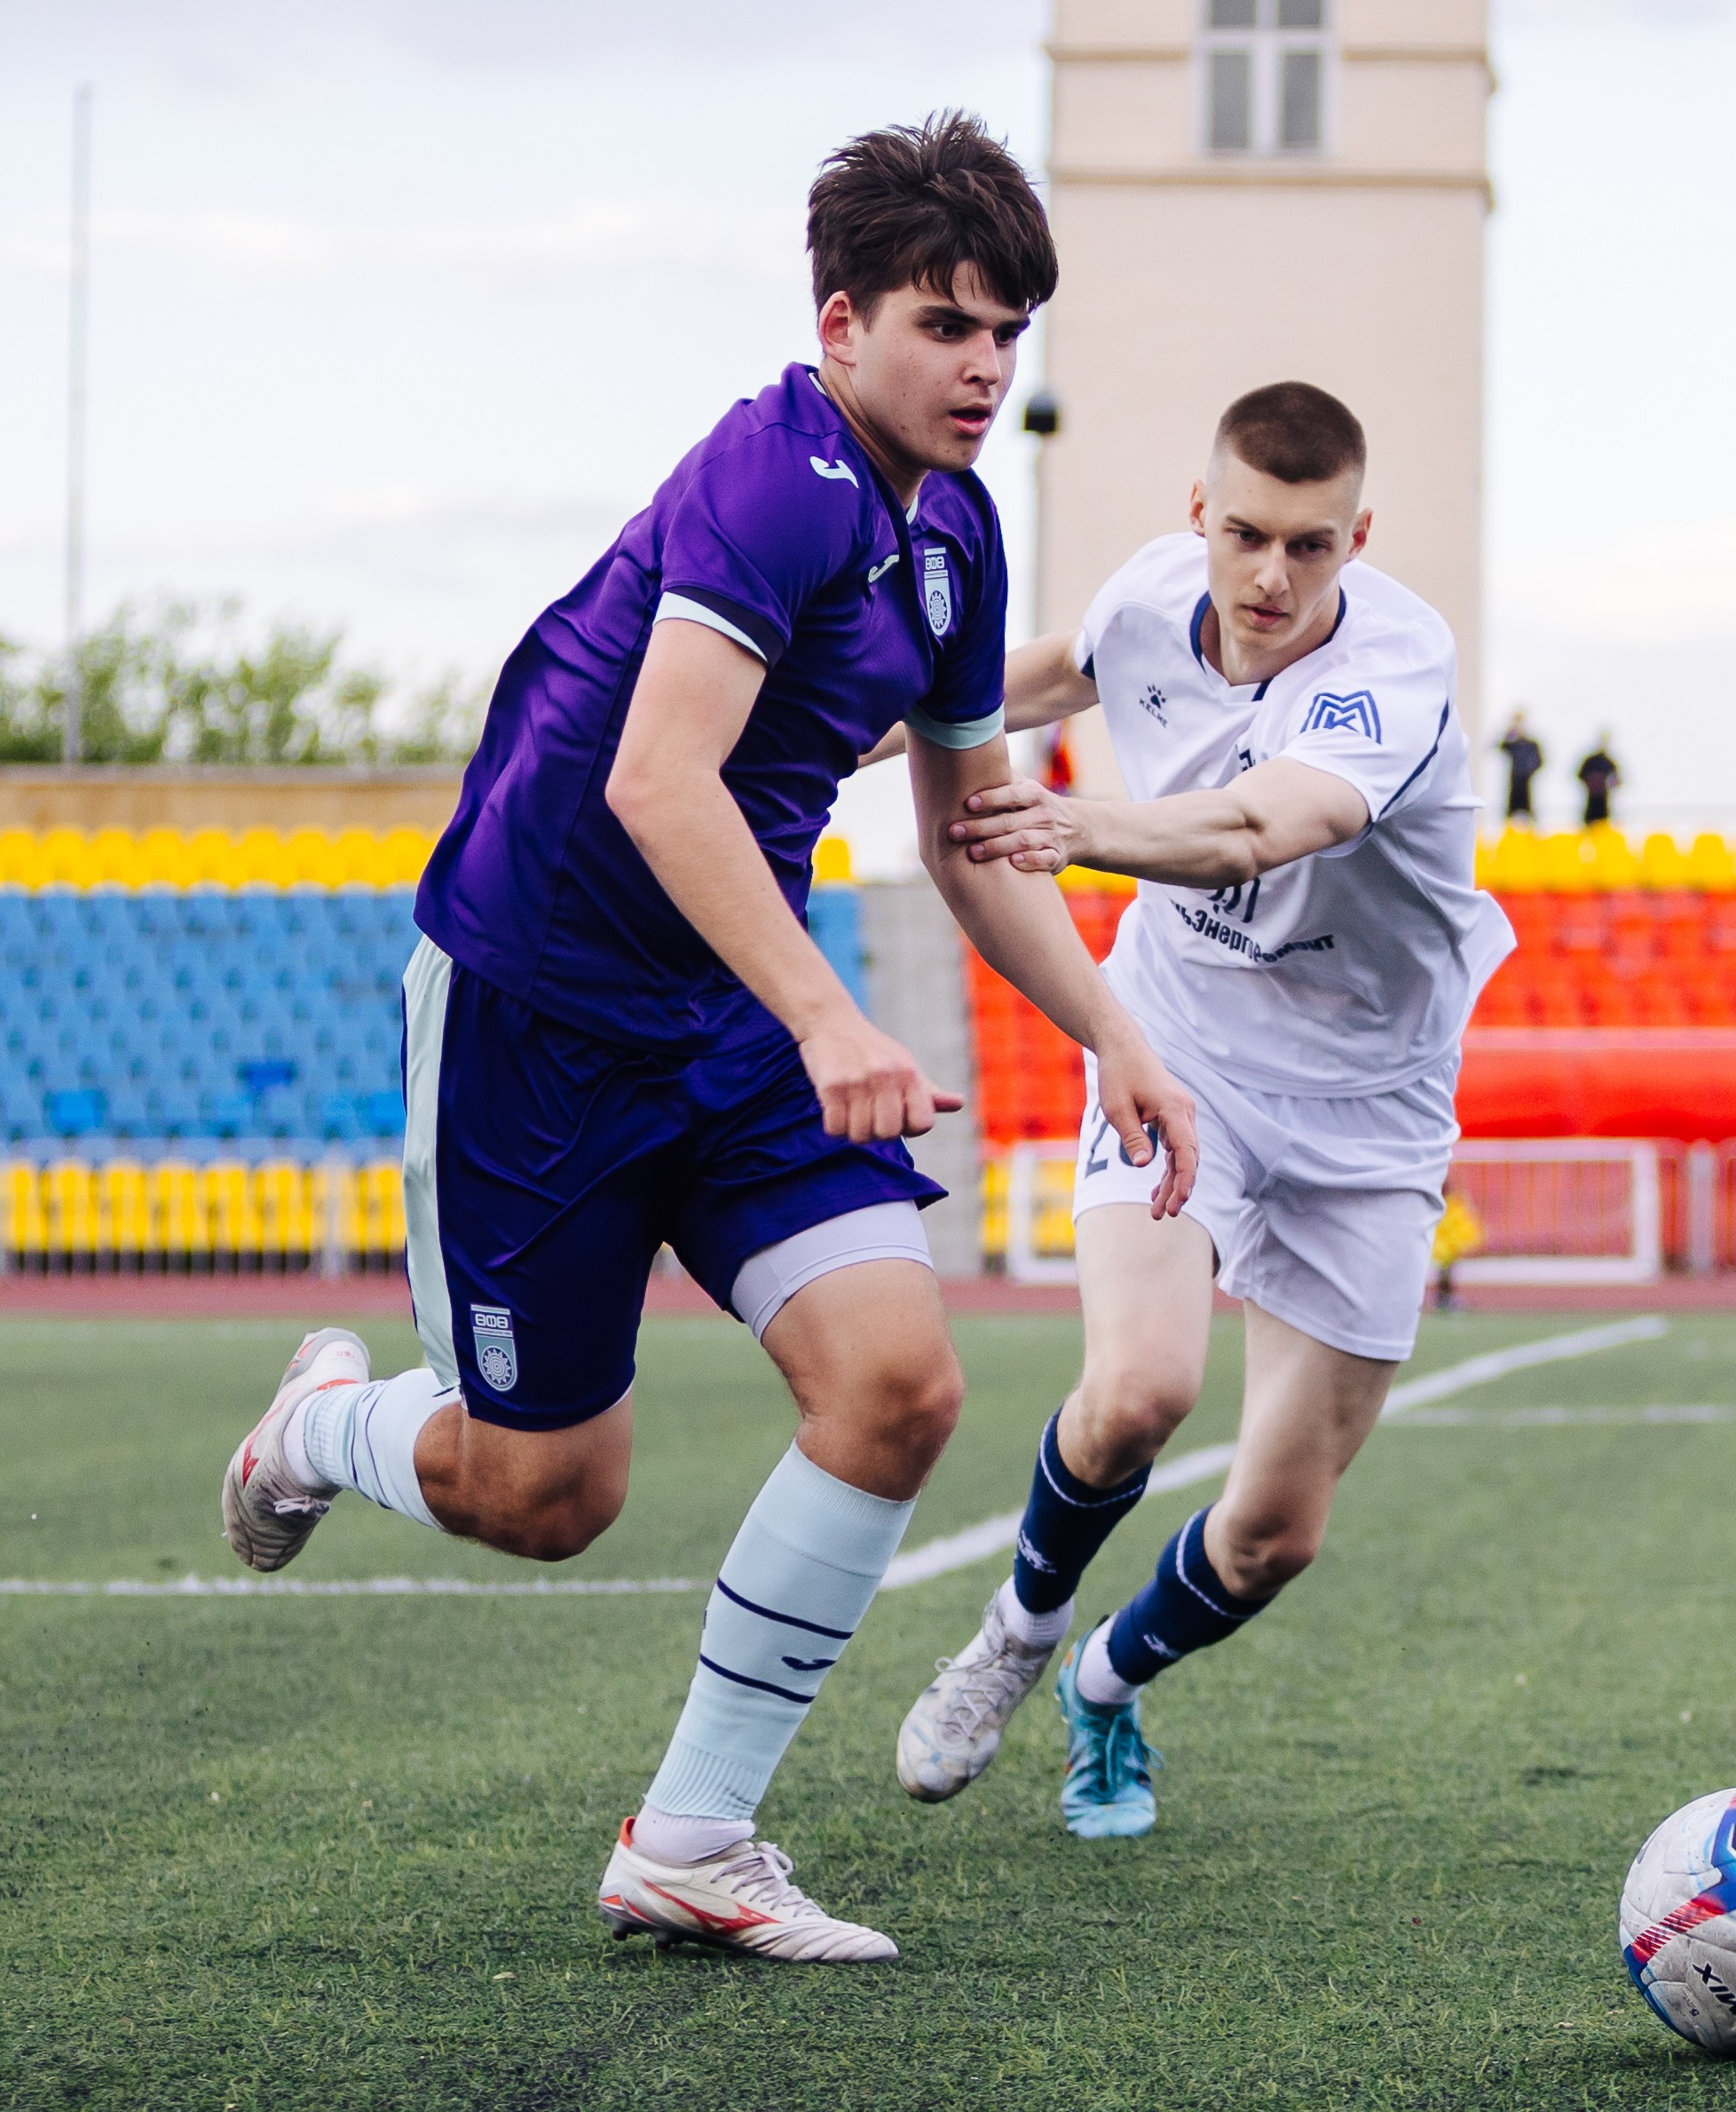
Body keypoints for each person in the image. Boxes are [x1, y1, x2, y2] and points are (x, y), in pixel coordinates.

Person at [219, 115, 1196, 1963]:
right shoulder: (775, 476)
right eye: (946, 323)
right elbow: (657, 777)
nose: (985, 365)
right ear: (840, 324)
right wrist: (828, 1009)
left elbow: (971, 831)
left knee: (900, 1385)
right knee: (544, 1495)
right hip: (540, 1011)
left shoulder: (959, 532)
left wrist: (1111, 1032)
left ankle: (693, 1836)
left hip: (735, 1020)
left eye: (1008, 331)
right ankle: (322, 1424)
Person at [888, 381, 1513, 1839]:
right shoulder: (1156, 596)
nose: (1273, 577)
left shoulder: (1394, 666)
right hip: (1181, 1050)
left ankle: (1103, 1685)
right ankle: (1018, 1636)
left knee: (1276, 1531)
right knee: (1140, 1391)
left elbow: (1262, 823)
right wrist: (825, 735)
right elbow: (1041, 676)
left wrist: (1079, 826)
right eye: (1246, 535)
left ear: (1358, 538)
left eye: (1309, 545)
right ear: (1198, 516)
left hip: (1372, 1106)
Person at [1498, 710, 1543, 822]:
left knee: (1529, 810)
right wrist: (1510, 732)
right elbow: (1500, 746)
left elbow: (1540, 761)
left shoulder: (1531, 744)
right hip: (1514, 780)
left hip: (1526, 782)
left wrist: (1529, 770)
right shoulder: (1513, 744)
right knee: (1510, 812)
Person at [1578, 733, 1622, 827]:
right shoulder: (1591, 761)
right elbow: (1580, 776)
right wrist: (1592, 782)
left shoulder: (1609, 762)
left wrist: (1607, 784)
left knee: (1603, 827)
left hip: (1604, 801)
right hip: (1591, 800)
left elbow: (1618, 781)